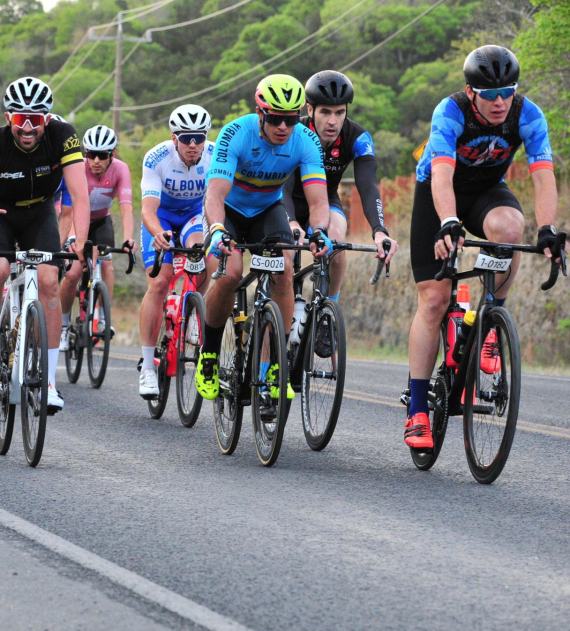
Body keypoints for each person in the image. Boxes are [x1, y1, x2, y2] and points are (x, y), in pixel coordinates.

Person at [403, 45, 567, 450]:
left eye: (507, 92)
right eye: (489, 94)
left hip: (486, 191)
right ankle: (418, 408)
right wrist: (447, 223)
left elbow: (544, 177)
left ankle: (491, 317)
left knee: (511, 226)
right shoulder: (451, 111)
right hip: (438, 194)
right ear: (470, 91)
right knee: (435, 300)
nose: (499, 102)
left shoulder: (527, 114)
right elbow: (441, 175)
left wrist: (548, 228)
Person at [0, 76, 90, 412]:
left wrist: (79, 244)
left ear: (48, 119)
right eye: (20, 119)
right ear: (7, 118)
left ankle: (50, 381)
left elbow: (81, 197)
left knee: (48, 283)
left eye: (36, 119)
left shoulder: (64, 136)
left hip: (39, 213)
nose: (28, 128)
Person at [198, 74, 332, 401]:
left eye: (290, 119)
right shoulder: (236, 134)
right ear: (260, 114)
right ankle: (210, 355)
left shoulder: (306, 140)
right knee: (229, 275)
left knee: (284, 271)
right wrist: (217, 229)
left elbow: (317, 200)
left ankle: (274, 366)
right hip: (228, 211)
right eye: (275, 118)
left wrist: (319, 233)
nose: (283, 127)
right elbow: (214, 196)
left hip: (268, 210)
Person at [283, 71, 398, 304]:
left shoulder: (358, 138)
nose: (333, 121)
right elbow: (283, 185)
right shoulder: (294, 134)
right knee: (284, 256)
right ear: (310, 109)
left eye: (340, 112)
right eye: (325, 112)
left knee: (335, 241)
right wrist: (292, 222)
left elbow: (368, 186)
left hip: (326, 201)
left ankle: (329, 309)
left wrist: (379, 230)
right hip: (286, 201)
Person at [137, 104, 214, 399]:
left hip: (195, 214)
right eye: (186, 138)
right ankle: (146, 366)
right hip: (163, 217)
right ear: (174, 138)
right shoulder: (157, 158)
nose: (192, 144)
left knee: (202, 253)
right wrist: (158, 233)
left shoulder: (215, 154)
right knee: (159, 282)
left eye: (198, 137)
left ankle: (193, 313)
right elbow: (148, 209)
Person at [58, 125, 135, 346]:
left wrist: (128, 238)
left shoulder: (121, 170)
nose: (96, 161)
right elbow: (69, 209)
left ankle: (102, 318)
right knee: (72, 274)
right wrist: (72, 238)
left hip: (101, 222)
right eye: (91, 154)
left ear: (113, 154)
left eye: (103, 155)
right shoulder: (78, 169)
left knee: (107, 263)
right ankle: (63, 325)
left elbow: (126, 207)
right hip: (76, 221)